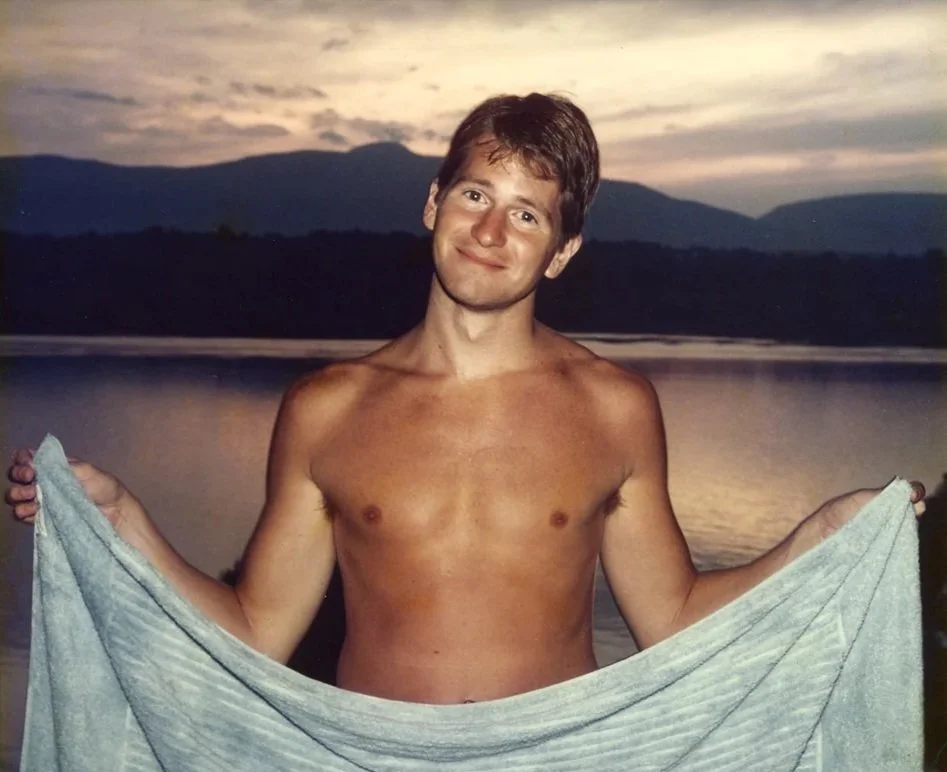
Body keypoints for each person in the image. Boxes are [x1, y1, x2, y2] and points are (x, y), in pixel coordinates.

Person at [6, 93, 926, 705]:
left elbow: (674, 620)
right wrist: (124, 520)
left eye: (526, 214)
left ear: (561, 253)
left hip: (555, 758)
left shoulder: (613, 407)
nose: (490, 230)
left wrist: (816, 537)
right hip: (369, 754)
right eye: (475, 195)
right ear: (432, 202)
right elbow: (254, 633)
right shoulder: (327, 407)